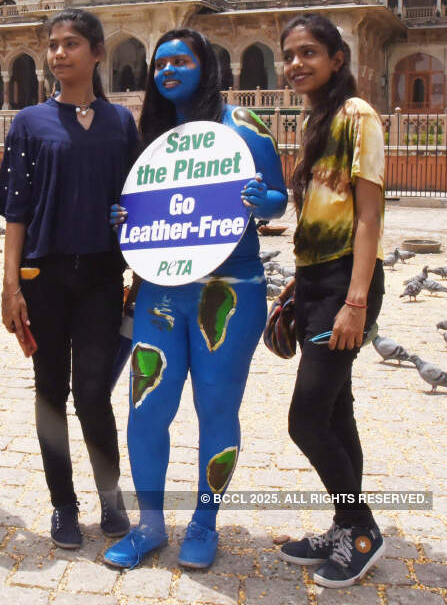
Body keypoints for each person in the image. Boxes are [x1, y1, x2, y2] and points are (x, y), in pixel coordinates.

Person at [103, 28, 287, 570]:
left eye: (181, 60)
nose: (168, 70)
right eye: (160, 63)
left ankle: (205, 523)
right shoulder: (154, 136)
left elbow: (278, 199)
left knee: (216, 408)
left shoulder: (241, 127)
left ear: (206, 67)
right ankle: (150, 524)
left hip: (227, 294)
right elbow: (140, 207)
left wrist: (262, 198)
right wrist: (124, 220)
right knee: (146, 406)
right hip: (161, 291)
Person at [0, 8, 137, 549]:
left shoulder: (121, 123)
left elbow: (136, 199)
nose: (59, 53)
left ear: (98, 53)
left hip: (102, 275)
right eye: (52, 44)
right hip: (45, 276)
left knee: (94, 393)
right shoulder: (30, 122)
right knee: (50, 393)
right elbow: (15, 208)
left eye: (71, 43)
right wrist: (11, 286)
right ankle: (63, 505)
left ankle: (110, 496)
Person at [276, 13, 386, 588]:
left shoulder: (356, 117)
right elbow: (319, 213)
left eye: (309, 53)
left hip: (346, 285)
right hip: (316, 281)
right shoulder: (315, 119)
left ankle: (360, 527)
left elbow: (368, 216)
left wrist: (356, 301)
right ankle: (346, 529)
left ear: (337, 59)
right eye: (289, 54)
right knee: (336, 413)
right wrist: (300, 281)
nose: (297, 64)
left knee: (306, 419)